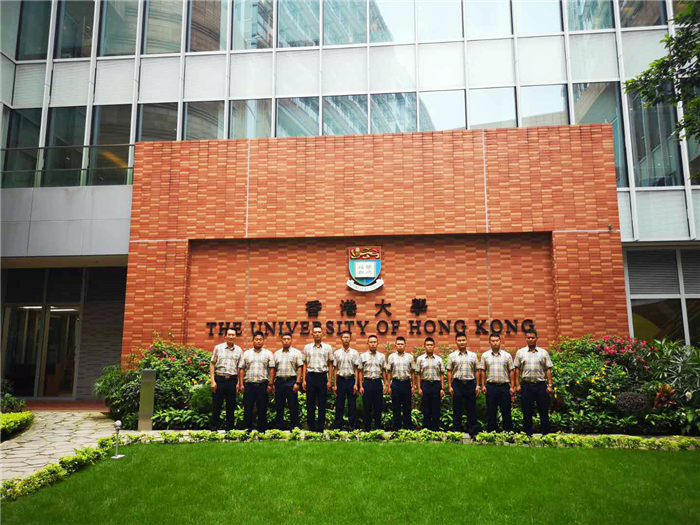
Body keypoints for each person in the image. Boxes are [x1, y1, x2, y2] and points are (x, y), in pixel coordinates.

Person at [514, 329, 553, 435]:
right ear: (525, 339)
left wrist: (549, 385)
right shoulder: (520, 352)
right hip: (526, 385)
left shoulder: (543, 353)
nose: (530, 339)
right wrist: (517, 385)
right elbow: (517, 369)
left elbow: (548, 369)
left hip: (540, 385)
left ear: (536, 338)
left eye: (532, 337)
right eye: (528, 338)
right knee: (527, 410)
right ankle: (527, 434)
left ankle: (545, 434)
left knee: (543, 410)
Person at [238, 331, 275, 432]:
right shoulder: (246, 354)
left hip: (263, 385)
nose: (258, 341)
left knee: (262, 409)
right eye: (256, 339)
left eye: (260, 339)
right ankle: (247, 430)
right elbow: (241, 369)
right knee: (248, 408)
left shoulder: (268, 354)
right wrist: (241, 384)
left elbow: (272, 369)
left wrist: (271, 384)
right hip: (248, 385)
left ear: (263, 341)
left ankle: (261, 431)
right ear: (253, 340)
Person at [478, 332, 515, 432]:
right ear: (489, 342)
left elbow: (511, 371)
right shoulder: (485, 355)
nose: (495, 343)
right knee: (491, 411)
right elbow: (482, 371)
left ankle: (508, 432)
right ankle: (492, 432)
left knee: (506, 411)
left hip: (504, 387)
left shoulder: (507, 356)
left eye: (497, 341)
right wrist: (483, 385)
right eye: (493, 341)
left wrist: (512, 386)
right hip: (491, 387)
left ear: (500, 341)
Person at [447, 331, 479, 437]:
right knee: (457, 408)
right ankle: (457, 431)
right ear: (456, 342)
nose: (461, 342)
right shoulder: (452, 356)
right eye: (459, 340)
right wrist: (450, 386)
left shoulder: (473, 355)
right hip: (457, 384)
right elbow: (449, 371)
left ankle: (472, 430)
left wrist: (477, 385)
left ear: (466, 341)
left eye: (463, 340)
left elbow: (477, 371)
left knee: (471, 408)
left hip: (470, 383)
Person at [209, 328, 242, 431]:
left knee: (231, 406)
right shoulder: (218, 348)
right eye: (229, 334)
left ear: (235, 336)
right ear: (225, 336)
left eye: (233, 335)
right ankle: (213, 429)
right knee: (217, 405)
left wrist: (239, 383)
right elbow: (212, 363)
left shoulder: (239, 350)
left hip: (232, 381)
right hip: (219, 380)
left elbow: (240, 368)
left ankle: (230, 429)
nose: (231, 336)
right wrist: (212, 381)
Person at [302, 325, 334, 431]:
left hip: (322, 377)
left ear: (322, 334)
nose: (317, 334)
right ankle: (311, 427)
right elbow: (304, 364)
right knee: (310, 403)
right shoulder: (307, 347)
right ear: (312, 334)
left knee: (322, 403)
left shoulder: (328, 348)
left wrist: (329, 380)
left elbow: (330, 364)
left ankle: (320, 427)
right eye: (315, 332)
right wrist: (304, 380)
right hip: (310, 376)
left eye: (319, 332)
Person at [271, 332, 304, 430]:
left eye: (288, 339)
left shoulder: (296, 353)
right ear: (281, 340)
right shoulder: (276, 354)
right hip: (279, 382)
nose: (286, 341)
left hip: (291, 381)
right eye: (284, 339)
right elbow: (273, 369)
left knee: (293, 406)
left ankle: (294, 427)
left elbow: (300, 368)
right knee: (279, 406)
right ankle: (279, 427)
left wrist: (297, 382)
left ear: (291, 340)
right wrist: (272, 383)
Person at [385, 336, 415, 430]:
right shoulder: (391, 357)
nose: (400, 346)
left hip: (406, 383)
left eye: (402, 344)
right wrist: (389, 386)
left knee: (407, 406)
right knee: (396, 406)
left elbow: (413, 372)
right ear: (395, 345)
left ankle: (407, 427)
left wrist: (413, 386)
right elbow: (389, 372)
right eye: (398, 344)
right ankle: (396, 427)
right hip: (395, 383)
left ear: (405, 345)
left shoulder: (410, 357)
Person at [415, 337, 445, 431]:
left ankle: (435, 429)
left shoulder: (439, 359)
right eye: (428, 345)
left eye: (431, 345)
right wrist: (419, 388)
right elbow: (418, 374)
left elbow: (441, 374)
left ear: (434, 346)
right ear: (424, 346)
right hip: (425, 384)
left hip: (436, 385)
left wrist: (442, 388)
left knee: (436, 408)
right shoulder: (420, 359)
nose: (429, 347)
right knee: (426, 407)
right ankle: (426, 428)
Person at [332, 330, 360, 430]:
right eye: (344, 337)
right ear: (341, 339)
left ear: (350, 339)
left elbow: (356, 369)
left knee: (352, 404)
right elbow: (335, 369)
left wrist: (356, 384)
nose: (346, 339)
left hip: (351, 380)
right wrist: (335, 384)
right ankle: (337, 427)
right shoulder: (337, 353)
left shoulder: (355, 353)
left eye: (348, 337)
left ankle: (352, 426)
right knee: (339, 404)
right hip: (340, 380)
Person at [358, 334, 387, 431]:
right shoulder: (363, 356)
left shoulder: (382, 356)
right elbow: (360, 371)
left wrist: (385, 384)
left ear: (377, 343)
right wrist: (361, 386)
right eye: (371, 342)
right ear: (368, 343)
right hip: (367, 382)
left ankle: (377, 428)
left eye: (374, 342)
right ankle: (367, 429)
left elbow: (384, 371)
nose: (373, 344)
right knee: (367, 407)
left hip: (378, 382)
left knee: (378, 407)